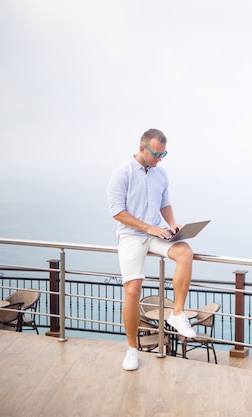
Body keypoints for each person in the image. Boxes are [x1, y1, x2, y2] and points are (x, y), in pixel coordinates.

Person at [107, 128, 196, 371]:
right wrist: (148, 228)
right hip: (131, 236)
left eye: (163, 154)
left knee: (185, 252)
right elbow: (117, 212)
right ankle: (132, 349)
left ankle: (177, 314)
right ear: (142, 148)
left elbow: (164, 202)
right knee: (133, 291)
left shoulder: (161, 173)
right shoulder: (122, 173)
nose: (159, 158)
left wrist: (172, 224)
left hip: (156, 232)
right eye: (156, 154)